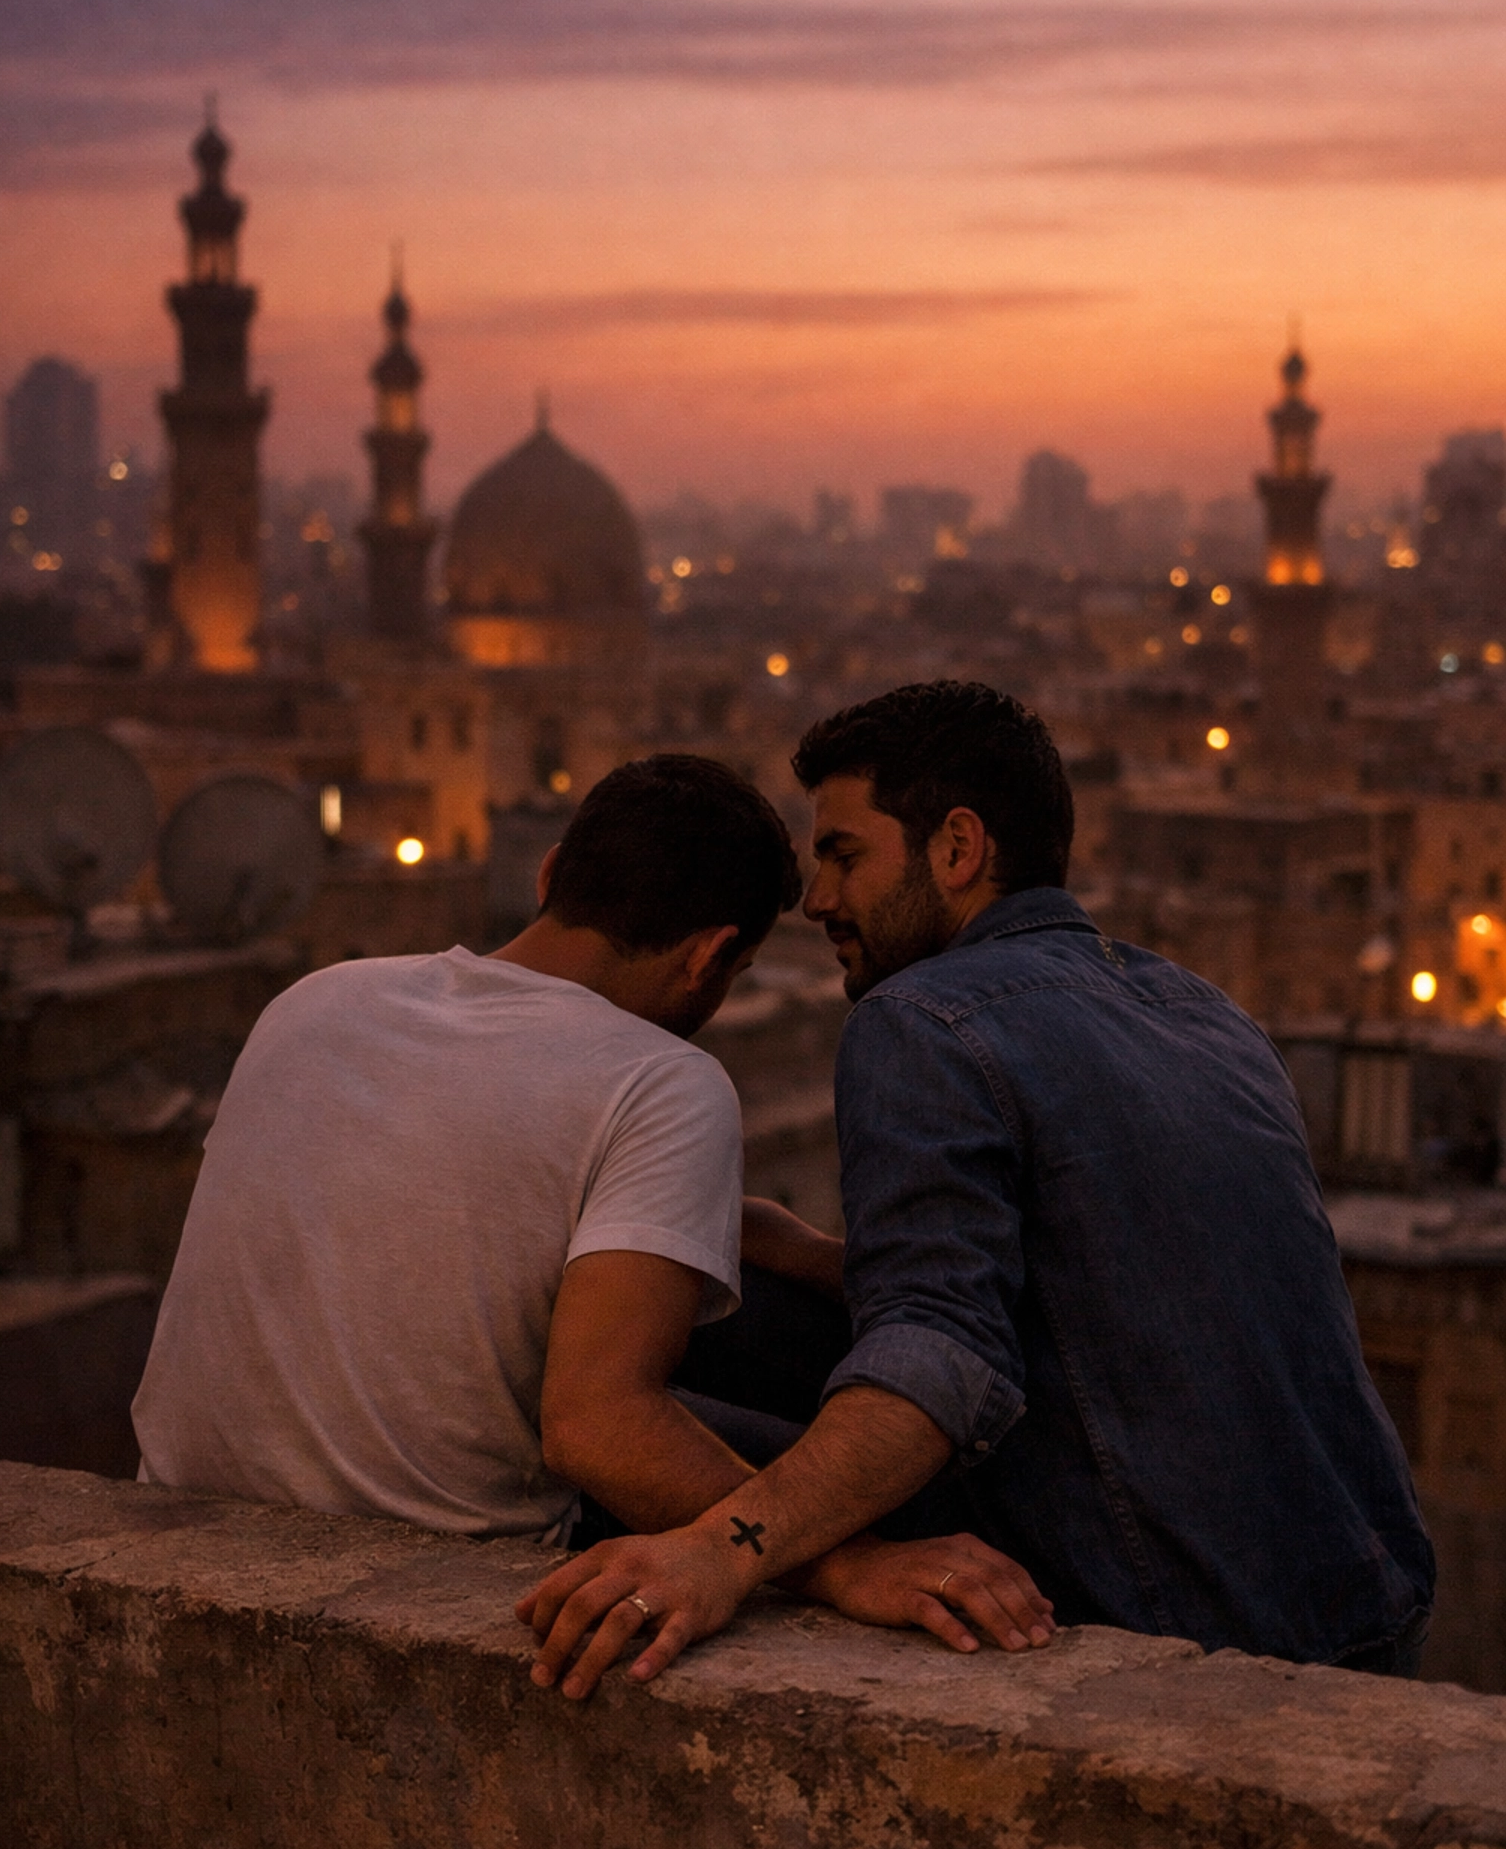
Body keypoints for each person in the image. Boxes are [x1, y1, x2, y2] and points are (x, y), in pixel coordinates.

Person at [520, 682, 1434, 1697]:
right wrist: (798, 1249)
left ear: (957, 849)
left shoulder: (923, 1019)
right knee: (729, 1289)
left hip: (1164, 1608)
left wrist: (719, 1550)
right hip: (1363, 1606)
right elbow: (1102, 1278)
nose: (819, 901)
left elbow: (945, 1362)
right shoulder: (1201, 1009)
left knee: (612, 1395)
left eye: (845, 856)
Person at [134, 754, 818, 1541]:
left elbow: (460, 1185)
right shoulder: (663, 1080)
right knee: (852, 1476)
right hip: (436, 1561)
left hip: (183, 1518)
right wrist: (840, 1561)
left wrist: (767, 1234)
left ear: (551, 874)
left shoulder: (315, 1000)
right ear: (708, 954)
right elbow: (598, 1433)